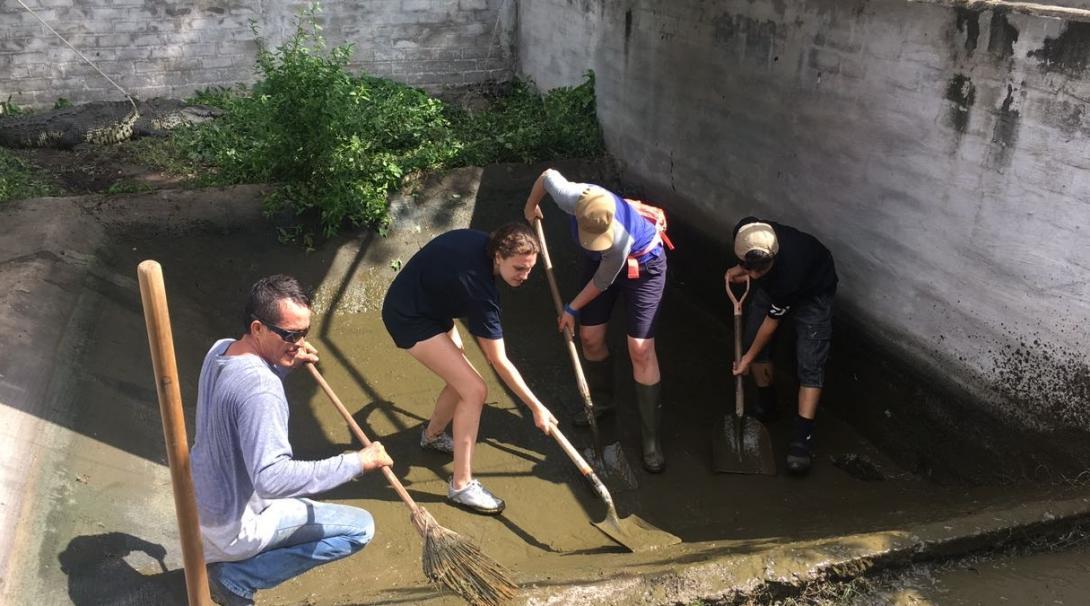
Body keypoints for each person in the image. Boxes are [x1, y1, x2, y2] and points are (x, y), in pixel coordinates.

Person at [191, 275, 393, 606]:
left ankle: (231, 566)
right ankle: (237, 578)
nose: (299, 343)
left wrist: (285, 364)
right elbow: (272, 479)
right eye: (291, 335)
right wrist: (358, 461)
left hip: (199, 507)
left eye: (304, 333)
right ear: (258, 329)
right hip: (234, 528)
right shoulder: (262, 390)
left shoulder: (221, 350)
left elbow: (239, 403)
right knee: (360, 528)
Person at [381, 223, 556, 515]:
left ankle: (433, 436)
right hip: (408, 315)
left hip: (431, 302)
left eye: (529, 269)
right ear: (499, 256)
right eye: (519, 269)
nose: (525, 276)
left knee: (461, 375)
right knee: (475, 389)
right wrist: (536, 407)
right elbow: (498, 360)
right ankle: (461, 486)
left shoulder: (481, 241)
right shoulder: (481, 291)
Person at [523, 169, 668, 473]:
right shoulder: (571, 196)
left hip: (643, 265)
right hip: (600, 267)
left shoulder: (619, 242)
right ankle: (602, 401)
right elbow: (547, 176)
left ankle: (651, 438)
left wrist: (572, 309)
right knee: (590, 339)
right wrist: (530, 205)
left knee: (640, 348)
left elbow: (602, 282)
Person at [724, 218, 838, 475]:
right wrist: (740, 267)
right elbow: (753, 266)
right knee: (752, 339)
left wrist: (746, 358)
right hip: (774, 285)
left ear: (773, 258)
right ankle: (767, 403)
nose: (752, 276)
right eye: (748, 267)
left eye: (759, 270)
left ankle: (802, 438)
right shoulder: (747, 231)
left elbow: (770, 326)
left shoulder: (789, 273)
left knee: (809, 360)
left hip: (814, 290)